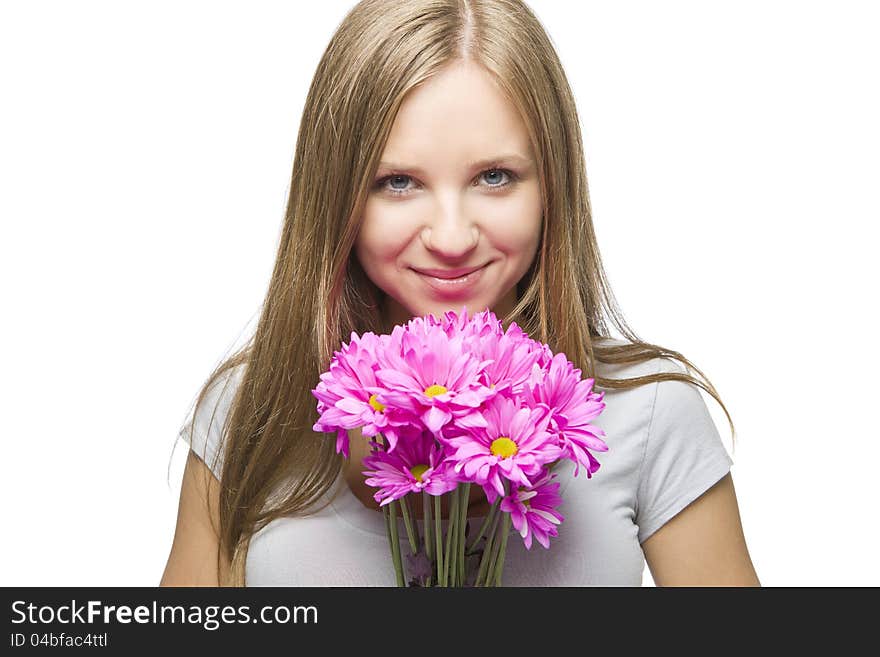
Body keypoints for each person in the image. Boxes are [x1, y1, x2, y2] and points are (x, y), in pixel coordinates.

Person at [161, 0, 760, 587]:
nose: (451, 238)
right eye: (398, 182)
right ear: (335, 197)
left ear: (553, 185)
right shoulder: (248, 413)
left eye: (494, 177)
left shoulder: (652, 414)